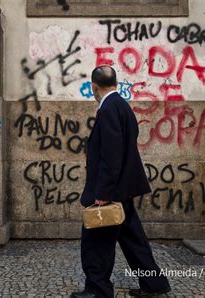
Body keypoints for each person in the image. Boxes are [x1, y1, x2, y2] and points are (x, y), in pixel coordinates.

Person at [70, 65, 171, 298]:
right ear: (115, 83)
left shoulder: (108, 109)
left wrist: (103, 192)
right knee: (132, 238)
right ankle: (154, 284)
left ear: (94, 86)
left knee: (96, 240)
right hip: (123, 188)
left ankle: (98, 289)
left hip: (112, 190)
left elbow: (112, 154)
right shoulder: (122, 106)